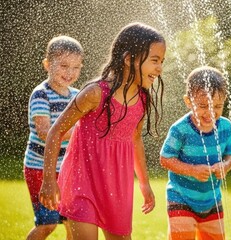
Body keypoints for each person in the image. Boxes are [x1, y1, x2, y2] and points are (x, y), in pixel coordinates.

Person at [39, 22, 166, 240]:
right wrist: (49, 180)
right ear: (128, 59)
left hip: (117, 188)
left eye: (162, 62)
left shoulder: (142, 99)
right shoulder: (95, 93)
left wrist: (144, 184)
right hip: (82, 182)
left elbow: (135, 140)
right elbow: (56, 131)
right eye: (154, 61)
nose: (159, 68)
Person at [160, 66, 231, 240]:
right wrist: (192, 170)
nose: (211, 112)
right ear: (188, 101)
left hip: (212, 199)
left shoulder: (225, 127)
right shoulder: (181, 129)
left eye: (218, 106)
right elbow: (165, 159)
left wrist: (225, 165)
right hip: (181, 198)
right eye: (203, 106)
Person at [24, 35, 84, 240]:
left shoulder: (77, 95)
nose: (70, 73)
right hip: (40, 168)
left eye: (76, 68)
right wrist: (78, 130)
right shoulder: (41, 94)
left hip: (67, 169)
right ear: (47, 64)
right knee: (47, 223)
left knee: (73, 224)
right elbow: (45, 132)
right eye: (64, 65)